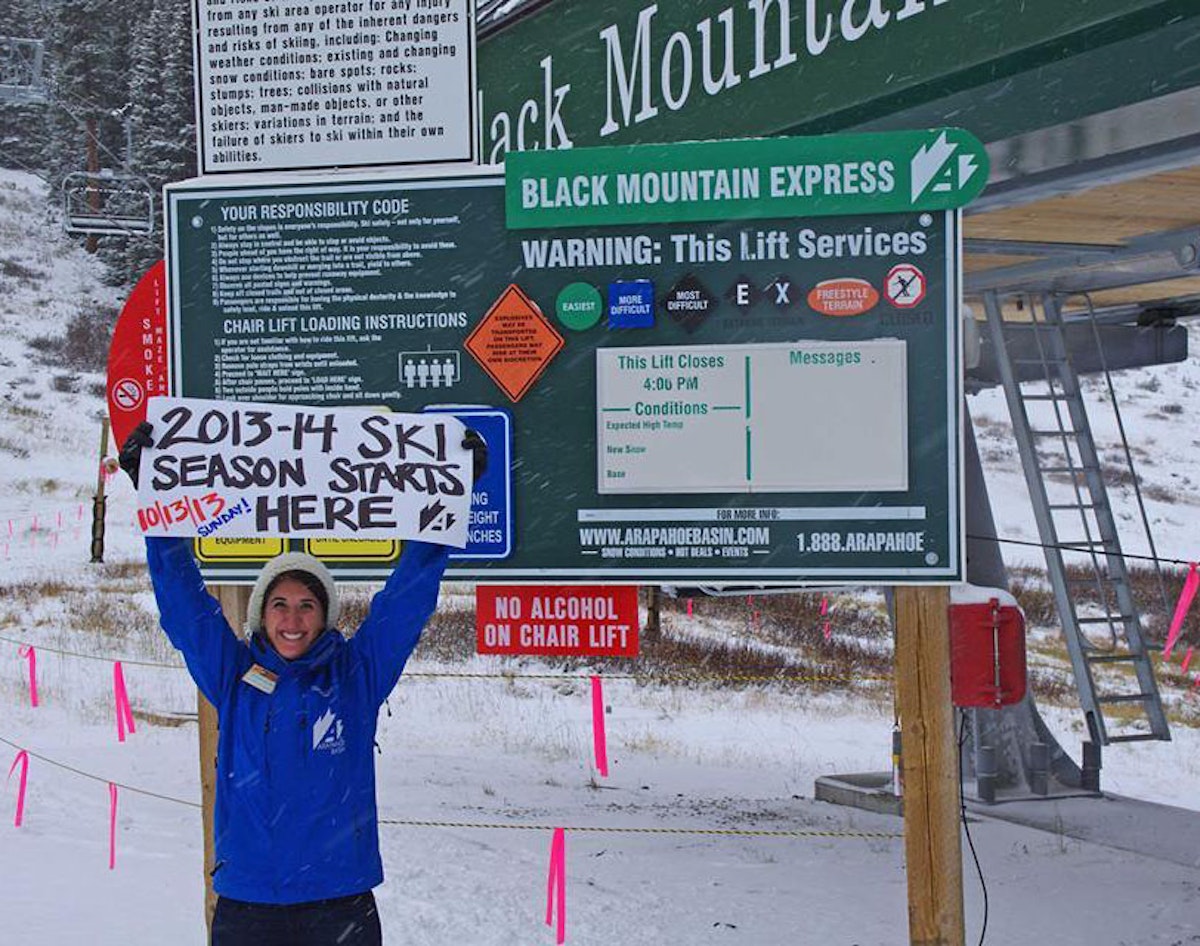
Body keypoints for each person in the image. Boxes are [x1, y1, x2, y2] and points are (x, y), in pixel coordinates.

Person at [119, 420, 486, 946]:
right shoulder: (233, 675)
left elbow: (406, 599)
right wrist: (156, 496)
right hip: (248, 903)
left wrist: (455, 492)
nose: (293, 619)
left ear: (325, 615)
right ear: (262, 615)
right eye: (280, 605)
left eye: (307, 605)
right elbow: (183, 606)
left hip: (339, 901)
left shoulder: (357, 674)